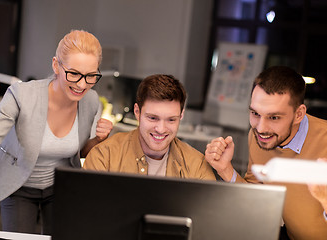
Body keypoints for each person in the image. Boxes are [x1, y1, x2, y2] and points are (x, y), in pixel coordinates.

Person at [0, 30, 113, 235]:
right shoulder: (22, 95)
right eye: (74, 74)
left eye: (91, 76)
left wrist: (98, 139)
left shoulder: (91, 101)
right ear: (56, 65)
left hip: (60, 187)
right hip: (18, 185)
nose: (82, 84)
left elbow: (80, 152)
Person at [205, 66, 327, 240]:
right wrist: (225, 169)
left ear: (299, 114)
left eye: (274, 117)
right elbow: (255, 197)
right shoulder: (257, 138)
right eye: (255, 113)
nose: (261, 128)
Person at [83, 74, 216, 180]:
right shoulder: (105, 155)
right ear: (137, 112)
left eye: (171, 120)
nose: (161, 129)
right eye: (153, 118)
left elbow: (212, 211)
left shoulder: (197, 165)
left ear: (181, 116)